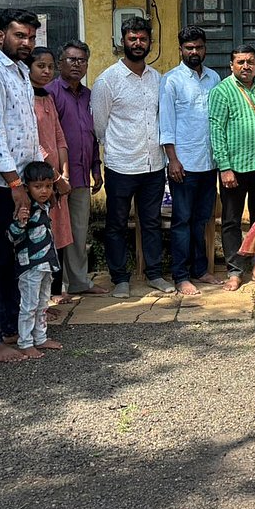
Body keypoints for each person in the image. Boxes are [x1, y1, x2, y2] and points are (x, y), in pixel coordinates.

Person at [0, 8, 43, 364]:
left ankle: (13, 326)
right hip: (2, 184)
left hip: (23, 180)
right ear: (1, 36)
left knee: (17, 258)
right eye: (20, 36)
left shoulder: (19, 72)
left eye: (31, 37)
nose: (27, 43)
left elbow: (26, 127)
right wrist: (15, 182)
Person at [92, 16, 172, 299]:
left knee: (150, 222)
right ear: (121, 41)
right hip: (121, 164)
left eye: (142, 39)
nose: (138, 43)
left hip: (153, 164)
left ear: (150, 42)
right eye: (132, 38)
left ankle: (154, 274)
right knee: (116, 224)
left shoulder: (158, 79)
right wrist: (114, 150)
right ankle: (120, 278)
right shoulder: (107, 81)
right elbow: (99, 126)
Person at [161, 25, 222, 296]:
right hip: (183, 165)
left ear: (205, 48)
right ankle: (181, 275)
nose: (194, 52)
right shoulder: (171, 80)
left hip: (209, 162)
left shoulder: (214, 78)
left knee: (202, 220)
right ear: (181, 50)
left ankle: (200, 269)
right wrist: (172, 160)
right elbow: (166, 124)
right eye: (189, 48)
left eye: (198, 47)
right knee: (182, 221)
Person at [208, 45, 255, 291]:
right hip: (233, 169)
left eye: (251, 62)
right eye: (241, 62)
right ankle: (235, 272)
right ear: (231, 65)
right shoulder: (222, 91)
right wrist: (224, 168)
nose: (246, 66)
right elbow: (216, 131)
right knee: (231, 222)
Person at [47, 40, 106, 296]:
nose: (77, 64)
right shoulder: (49, 93)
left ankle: (79, 282)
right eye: (71, 59)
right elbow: (47, 137)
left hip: (81, 176)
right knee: (51, 232)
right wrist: (56, 174)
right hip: (53, 178)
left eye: (82, 60)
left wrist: (96, 167)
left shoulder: (89, 96)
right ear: (60, 63)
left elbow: (91, 135)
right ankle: (51, 288)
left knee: (79, 231)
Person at [27, 47, 74, 300]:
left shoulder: (47, 97)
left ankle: (56, 291)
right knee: (41, 236)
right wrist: (55, 178)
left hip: (59, 180)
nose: (46, 71)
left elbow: (58, 137)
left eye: (49, 67)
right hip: (41, 181)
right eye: (40, 66)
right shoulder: (25, 99)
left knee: (58, 232)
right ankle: (42, 297)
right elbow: (36, 143)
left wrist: (64, 173)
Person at [10, 161, 64, 358]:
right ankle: (25, 342)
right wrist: (21, 223)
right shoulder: (26, 208)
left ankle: (40, 338)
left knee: (42, 303)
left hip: (46, 263)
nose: (44, 191)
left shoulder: (44, 206)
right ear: (27, 188)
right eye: (38, 186)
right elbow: (12, 235)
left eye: (48, 186)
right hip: (30, 265)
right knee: (29, 304)